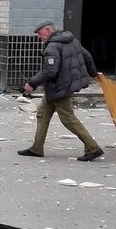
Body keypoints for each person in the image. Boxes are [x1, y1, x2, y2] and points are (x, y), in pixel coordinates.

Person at [18, 20, 103, 162]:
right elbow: (86, 55)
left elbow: (49, 72)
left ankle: (93, 148)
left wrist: (31, 84)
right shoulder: (71, 40)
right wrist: (93, 73)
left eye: (40, 33)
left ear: (48, 30)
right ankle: (36, 148)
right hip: (61, 85)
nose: (39, 37)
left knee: (68, 119)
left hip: (59, 87)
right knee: (42, 115)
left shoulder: (52, 47)